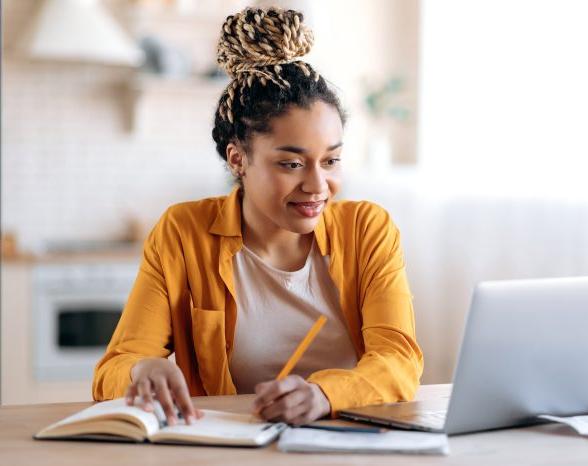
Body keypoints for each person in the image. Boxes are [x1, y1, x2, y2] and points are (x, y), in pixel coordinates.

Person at [92, 6, 423, 427]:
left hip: (348, 443)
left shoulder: (367, 229)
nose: (318, 185)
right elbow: (112, 370)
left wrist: (324, 395)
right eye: (291, 164)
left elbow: (400, 360)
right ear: (238, 159)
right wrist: (141, 370)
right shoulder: (183, 233)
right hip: (232, 448)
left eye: (331, 160)